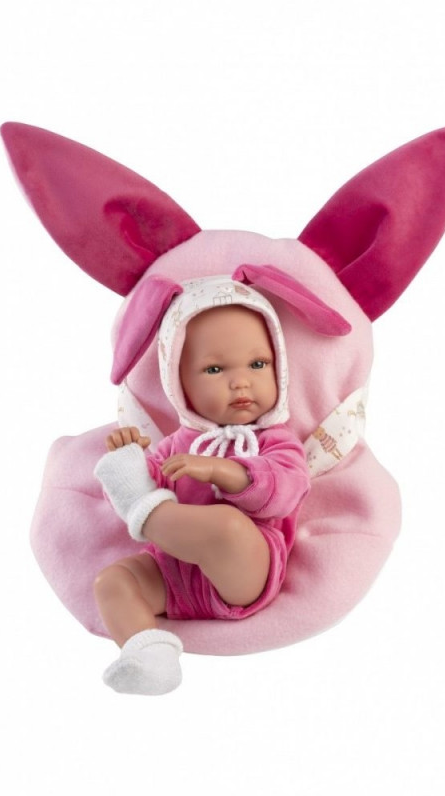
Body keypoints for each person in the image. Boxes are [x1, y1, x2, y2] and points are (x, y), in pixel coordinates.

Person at [92, 277, 310, 695]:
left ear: (279, 368)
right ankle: (151, 660)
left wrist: (221, 471)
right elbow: (124, 499)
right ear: (179, 384)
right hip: (174, 575)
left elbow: (287, 490)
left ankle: (146, 510)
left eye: (258, 364)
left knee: (227, 525)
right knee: (112, 582)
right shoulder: (175, 444)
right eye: (214, 369)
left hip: (245, 574)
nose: (240, 382)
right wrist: (130, 462)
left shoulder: (276, 441)